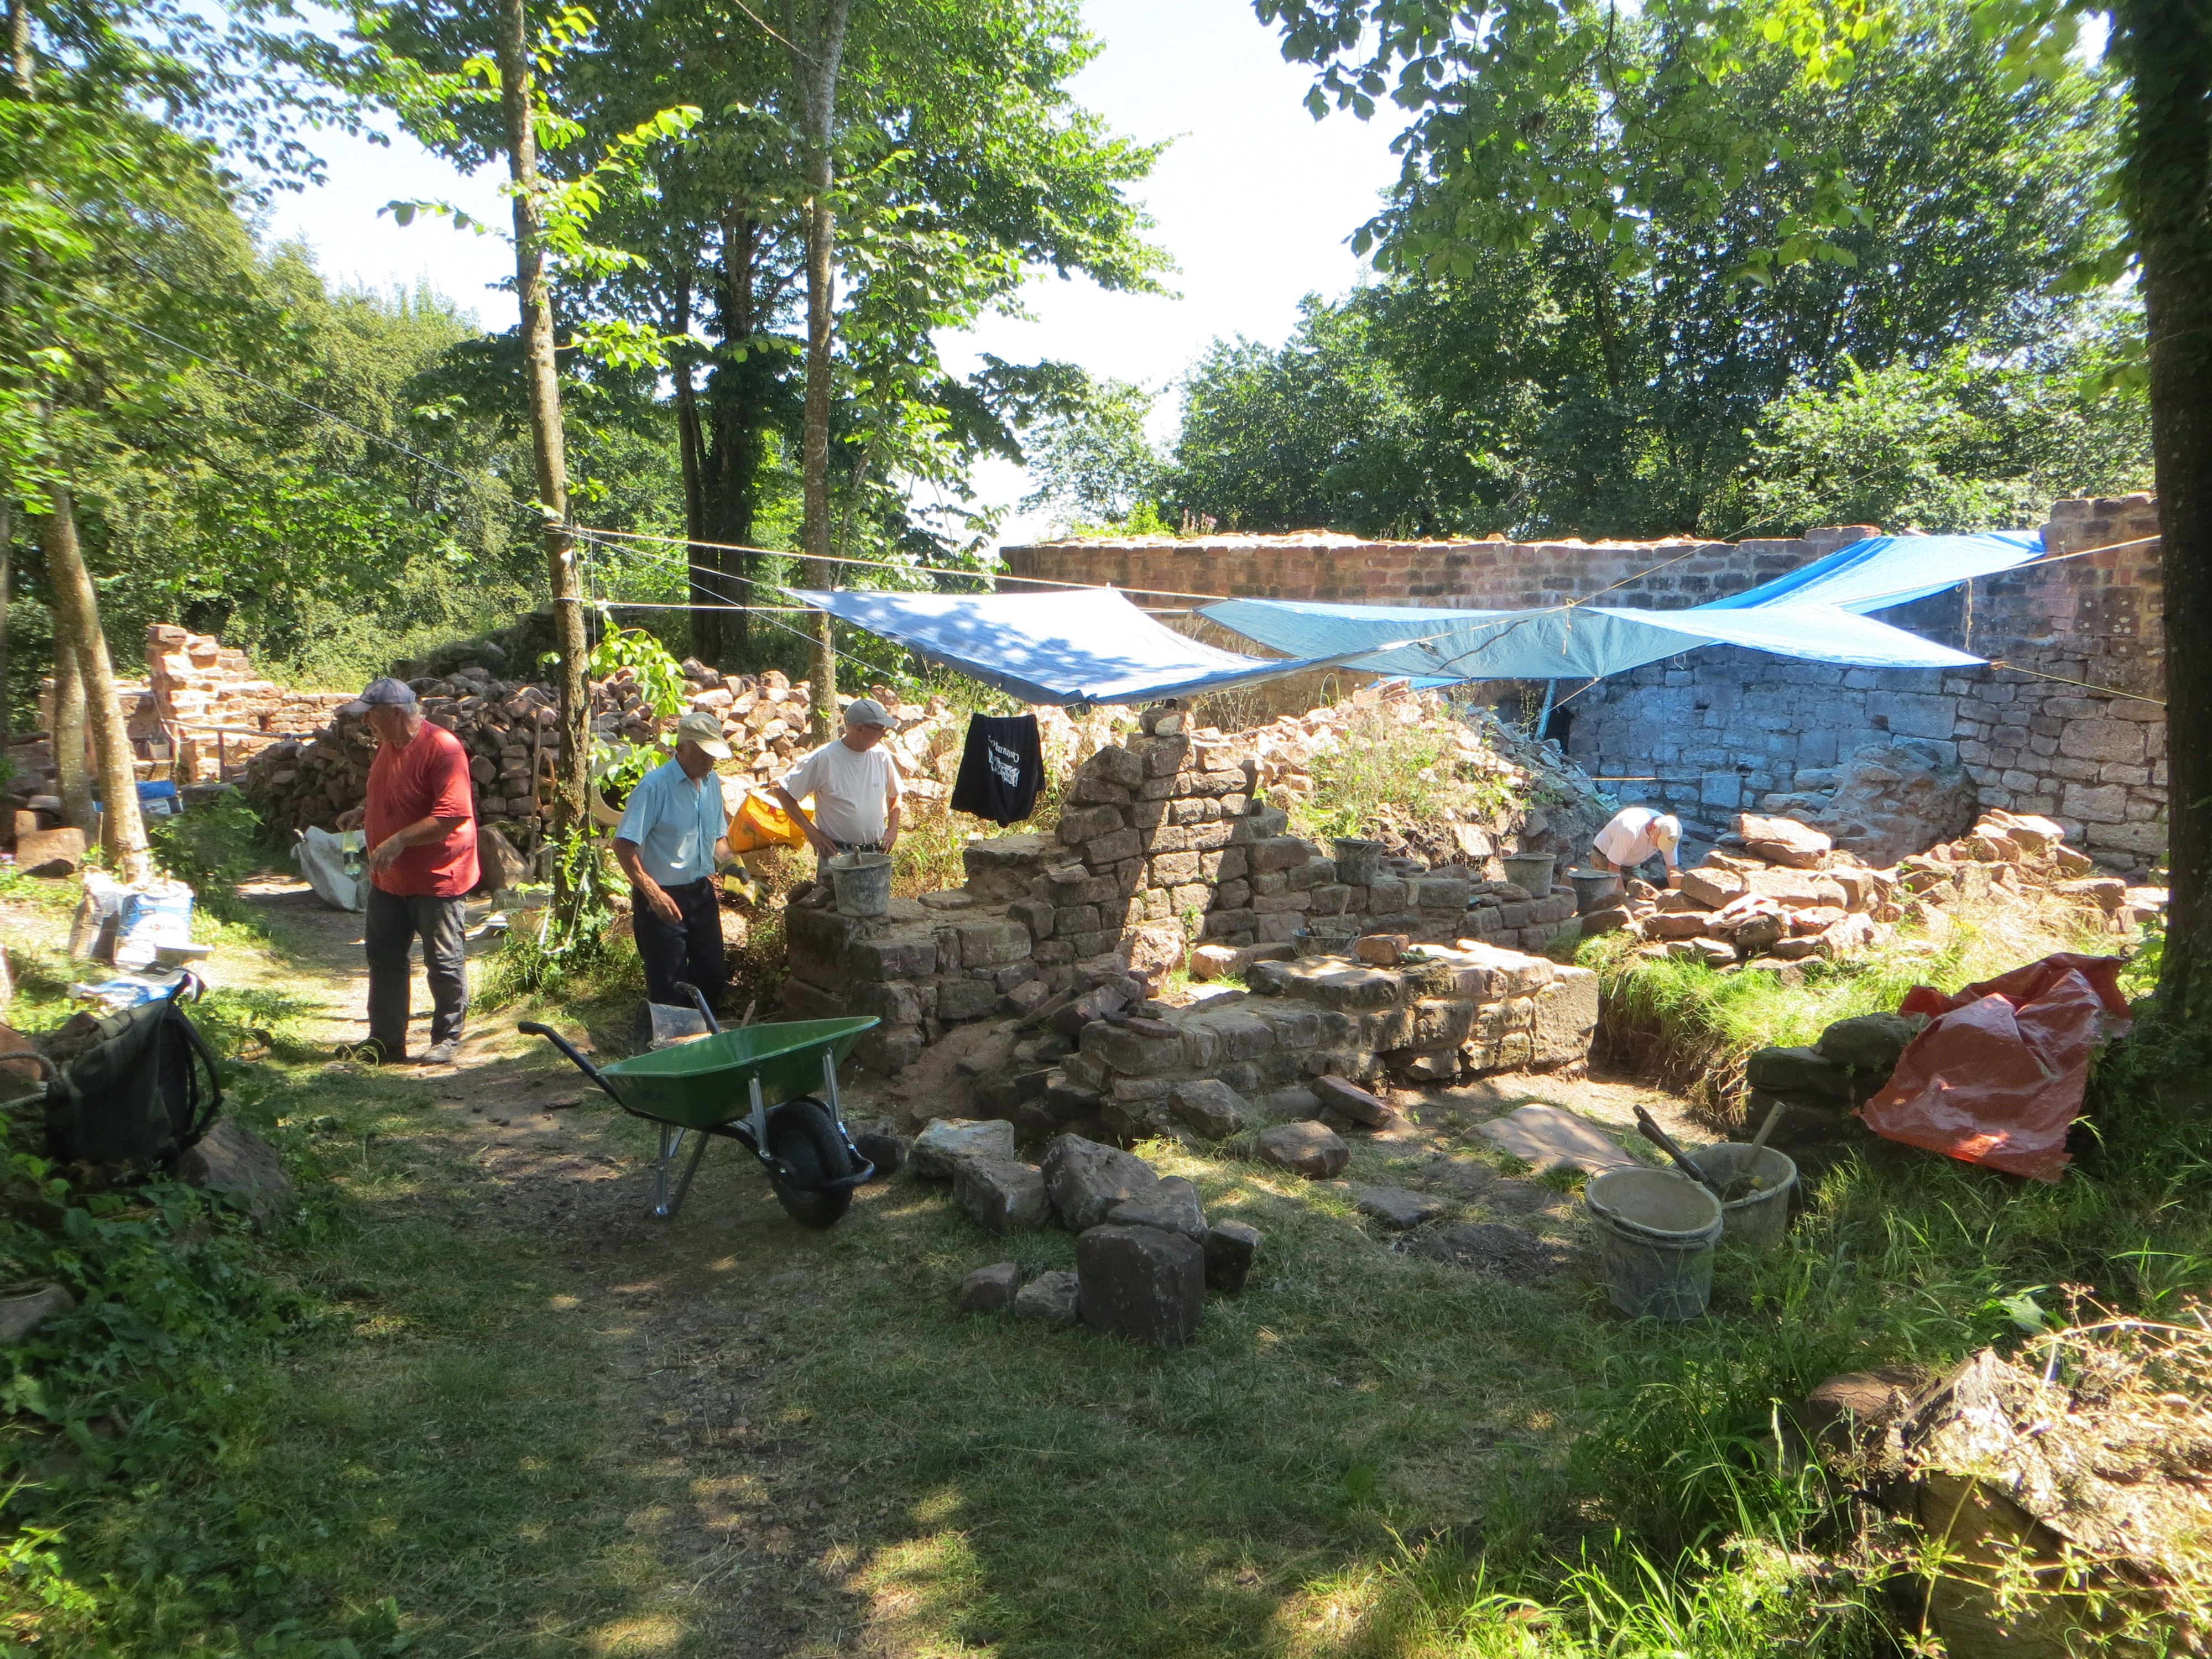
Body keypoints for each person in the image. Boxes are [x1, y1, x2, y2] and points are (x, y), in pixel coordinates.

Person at [334, 676, 477, 1065]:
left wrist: (397, 840)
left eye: (371, 715)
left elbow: (451, 816)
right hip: (390, 879)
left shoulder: (443, 748)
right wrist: (365, 811)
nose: (366, 723)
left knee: (443, 960)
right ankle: (386, 1042)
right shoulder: (389, 743)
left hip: (438, 876)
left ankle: (446, 1038)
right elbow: (396, 791)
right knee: (383, 957)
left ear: (396, 714)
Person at [613, 709, 734, 1010]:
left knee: (713, 976)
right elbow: (623, 846)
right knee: (668, 987)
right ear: (682, 748)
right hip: (662, 898)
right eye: (704, 753)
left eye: (714, 754)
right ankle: (671, 1034)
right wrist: (654, 895)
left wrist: (734, 867)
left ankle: (702, 1033)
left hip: (701, 894)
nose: (711, 761)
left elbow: (718, 837)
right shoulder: (654, 787)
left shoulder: (711, 782)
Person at [772, 698, 903, 874]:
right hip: (837, 855)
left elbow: (896, 793)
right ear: (859, 729)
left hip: (875, 854)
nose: (883, 734)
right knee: (832, 894)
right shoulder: (824, 758)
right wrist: (811, 832)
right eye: (880, 729)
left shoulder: (881, 755)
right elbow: (782, 791)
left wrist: (893, 830)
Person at [1592, 803, 1683, 888]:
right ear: (1654, 827)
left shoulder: (1671, 834)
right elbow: (1614, 867)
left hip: (1631, 862)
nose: (1659, 847)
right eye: (1658, 843)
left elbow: (1672, 870)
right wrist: (1620, 897)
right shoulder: (1630, 831)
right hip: (1604, 857)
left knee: (1640, 892)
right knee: (1609, 894)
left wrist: (1678, 895)